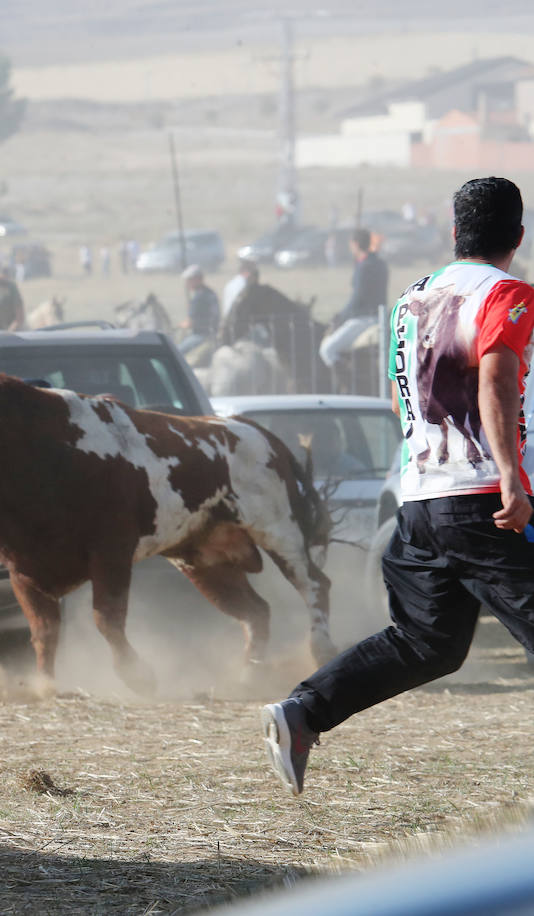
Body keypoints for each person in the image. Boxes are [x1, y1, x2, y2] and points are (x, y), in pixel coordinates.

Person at [260, 176, 534, 797]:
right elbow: (496, 380)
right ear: (517, 237)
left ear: (453, 232)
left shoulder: (412, 300)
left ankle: (303, 712)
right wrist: (511, 479)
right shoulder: (509, 294)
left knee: (427, 641)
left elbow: (398, 398)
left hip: (419, 499)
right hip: (482, 498)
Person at [319, 228, 390, 368]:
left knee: (327, 350)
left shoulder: (363, 266)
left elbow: (357, 298)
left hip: (362, 319)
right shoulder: (380, 264)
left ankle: (348, 381)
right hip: (380, 317)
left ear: (355, 244)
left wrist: (340, 316)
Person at [178, 264, 219, 354]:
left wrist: (181, 325)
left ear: (197, 279)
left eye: (189, 280)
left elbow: (189, 323)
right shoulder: (210, 293)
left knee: (177, 352)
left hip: (201, 335)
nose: (187, 283)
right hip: (212, 333)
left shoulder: (198, 297)